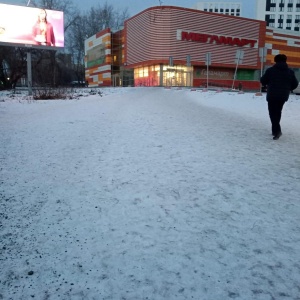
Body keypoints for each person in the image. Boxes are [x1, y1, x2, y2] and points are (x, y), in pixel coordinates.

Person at [260, 54, 298, 140]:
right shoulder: (290, 72)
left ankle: (277, 131)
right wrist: (288, 89)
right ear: (285, 60)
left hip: (272, 95)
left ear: (275, 60)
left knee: (272, 113)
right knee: (278, 111)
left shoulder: (271, 70)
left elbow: (263, 80)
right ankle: (275, 131)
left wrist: (265, 83)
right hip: (283, 96)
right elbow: (295, 84)